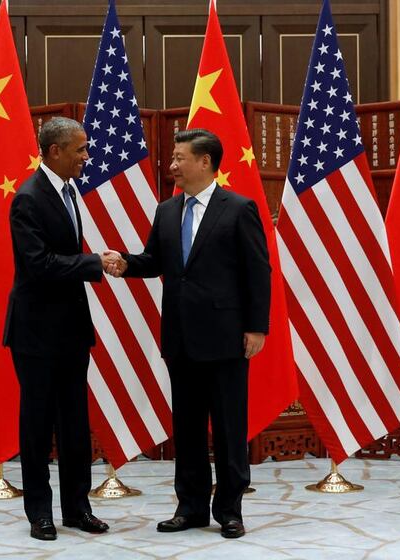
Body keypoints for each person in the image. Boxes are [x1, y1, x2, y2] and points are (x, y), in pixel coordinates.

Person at [105, 128, 271, 539]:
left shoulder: (239, 208)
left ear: (206, 163)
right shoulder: (166, 210)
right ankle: (191, 507)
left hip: (227, 336)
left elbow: (258, 272)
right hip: (180, 338)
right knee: (188, 427)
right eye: (173, 158)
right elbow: (154, 260)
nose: (173, 165)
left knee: (230, 427)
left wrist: (256, 327)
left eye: (180, 158)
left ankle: (230, 510)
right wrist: (125, 263)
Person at [3, 116, 119, 541]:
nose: (86, 157)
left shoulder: (70, 192)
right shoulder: (28, 199)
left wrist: (88, 262)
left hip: (71, 328)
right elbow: (39, 265)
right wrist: (94, 262)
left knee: (74, 422)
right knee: (36, 423)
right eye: (80, 150)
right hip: (35, 332)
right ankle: (40, 512)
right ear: (55, 152)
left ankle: (77, 508)